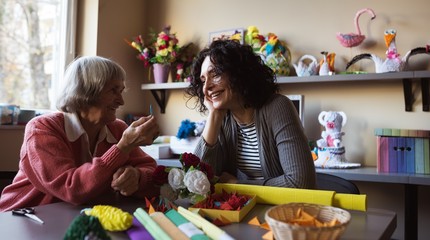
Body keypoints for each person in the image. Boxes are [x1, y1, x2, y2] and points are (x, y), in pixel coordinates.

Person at [0, 56, 160, 212]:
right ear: (86, 92)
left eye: (121, 91)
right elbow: (71, 189)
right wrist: (123, 147)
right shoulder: (42, 128)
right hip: (24, 217)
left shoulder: (117, 128)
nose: (121, 101)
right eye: (113, 91)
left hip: (75, 216)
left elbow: (153, 173)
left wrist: (137, 177)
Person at [186, 40, 316, 188]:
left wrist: (239, 184)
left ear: (238, 73)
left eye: (215, 74)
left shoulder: (278, 107)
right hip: (247, 209)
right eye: (203, 80)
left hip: (285, 209)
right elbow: (195, 184)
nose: (206, 87)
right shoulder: (223, 118)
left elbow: (301, 183)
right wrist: (214, 116)